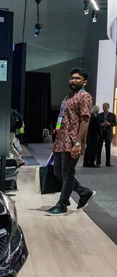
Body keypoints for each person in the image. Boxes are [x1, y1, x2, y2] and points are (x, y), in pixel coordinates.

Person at [45, 68, 95, 216]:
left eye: (77, 78)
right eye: (71, 78)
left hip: (72, 141)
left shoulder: (84, 97)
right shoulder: (67, 98)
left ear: (84, 82)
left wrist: (78, 143)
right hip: (60, 141)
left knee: (67, 173)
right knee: (57, 172)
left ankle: (62, 204)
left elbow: (85, 121)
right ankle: (84, 192)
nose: (73, 80)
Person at [96, 102, 116, 167]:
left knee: (108, 148)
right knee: (99, 148)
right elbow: (97, 123)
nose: (104, 108)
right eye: (103, 107)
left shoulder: (112, 115)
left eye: (105, 107)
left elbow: (115, 123)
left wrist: (109, 124)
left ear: (108, 107)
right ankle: (98, 162)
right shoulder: (99, 115)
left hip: (108, 133)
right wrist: (101, 124)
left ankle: (108, 162)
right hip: (101, 133)